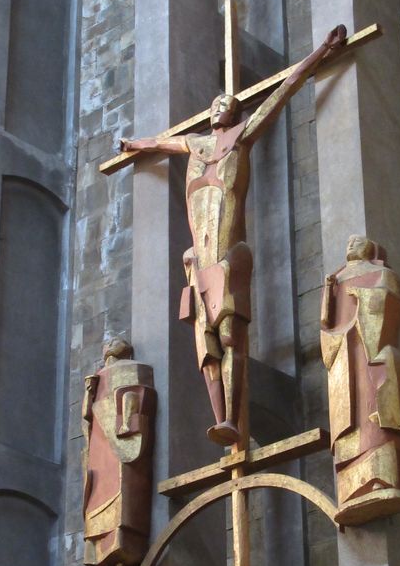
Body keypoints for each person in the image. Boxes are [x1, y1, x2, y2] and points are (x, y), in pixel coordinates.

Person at [121, 25, 347, 446]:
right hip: (198, 262)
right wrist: (133, 145)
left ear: (236, 113)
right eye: (214, 102)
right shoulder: (193, 145)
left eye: (225, 102)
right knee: (204, 349)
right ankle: (221, 417)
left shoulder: (241, 139)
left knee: (229, 336)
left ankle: (232, 415)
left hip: (228, 257)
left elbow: (284, 90)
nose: (217, 105)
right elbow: (158, 143)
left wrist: (320, 51)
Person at [320, 235, 400, 525]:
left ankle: (382, 481)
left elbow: (389, 304)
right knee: (349, 422)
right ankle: (351, 488)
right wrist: (329, 299)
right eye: (348, 242)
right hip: (345, 360)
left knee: (376, 416)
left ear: (371, 249)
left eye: (358, 242)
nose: (350, 244)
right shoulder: (334, 284)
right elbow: (326, 328)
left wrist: (363, 297)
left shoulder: (383, 274)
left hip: (370, 355)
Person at [82, 337, 156, 566]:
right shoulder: (97, 379)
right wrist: (89, 394)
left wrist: (123, 420)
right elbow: (88, 419)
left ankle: (123, 559)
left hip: (119, 449)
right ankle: (104, 564)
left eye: (113, 342)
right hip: (100, 452)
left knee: (122, 501)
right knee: (96, 502)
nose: (107, 345)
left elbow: (137, 399)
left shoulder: (132, 370)